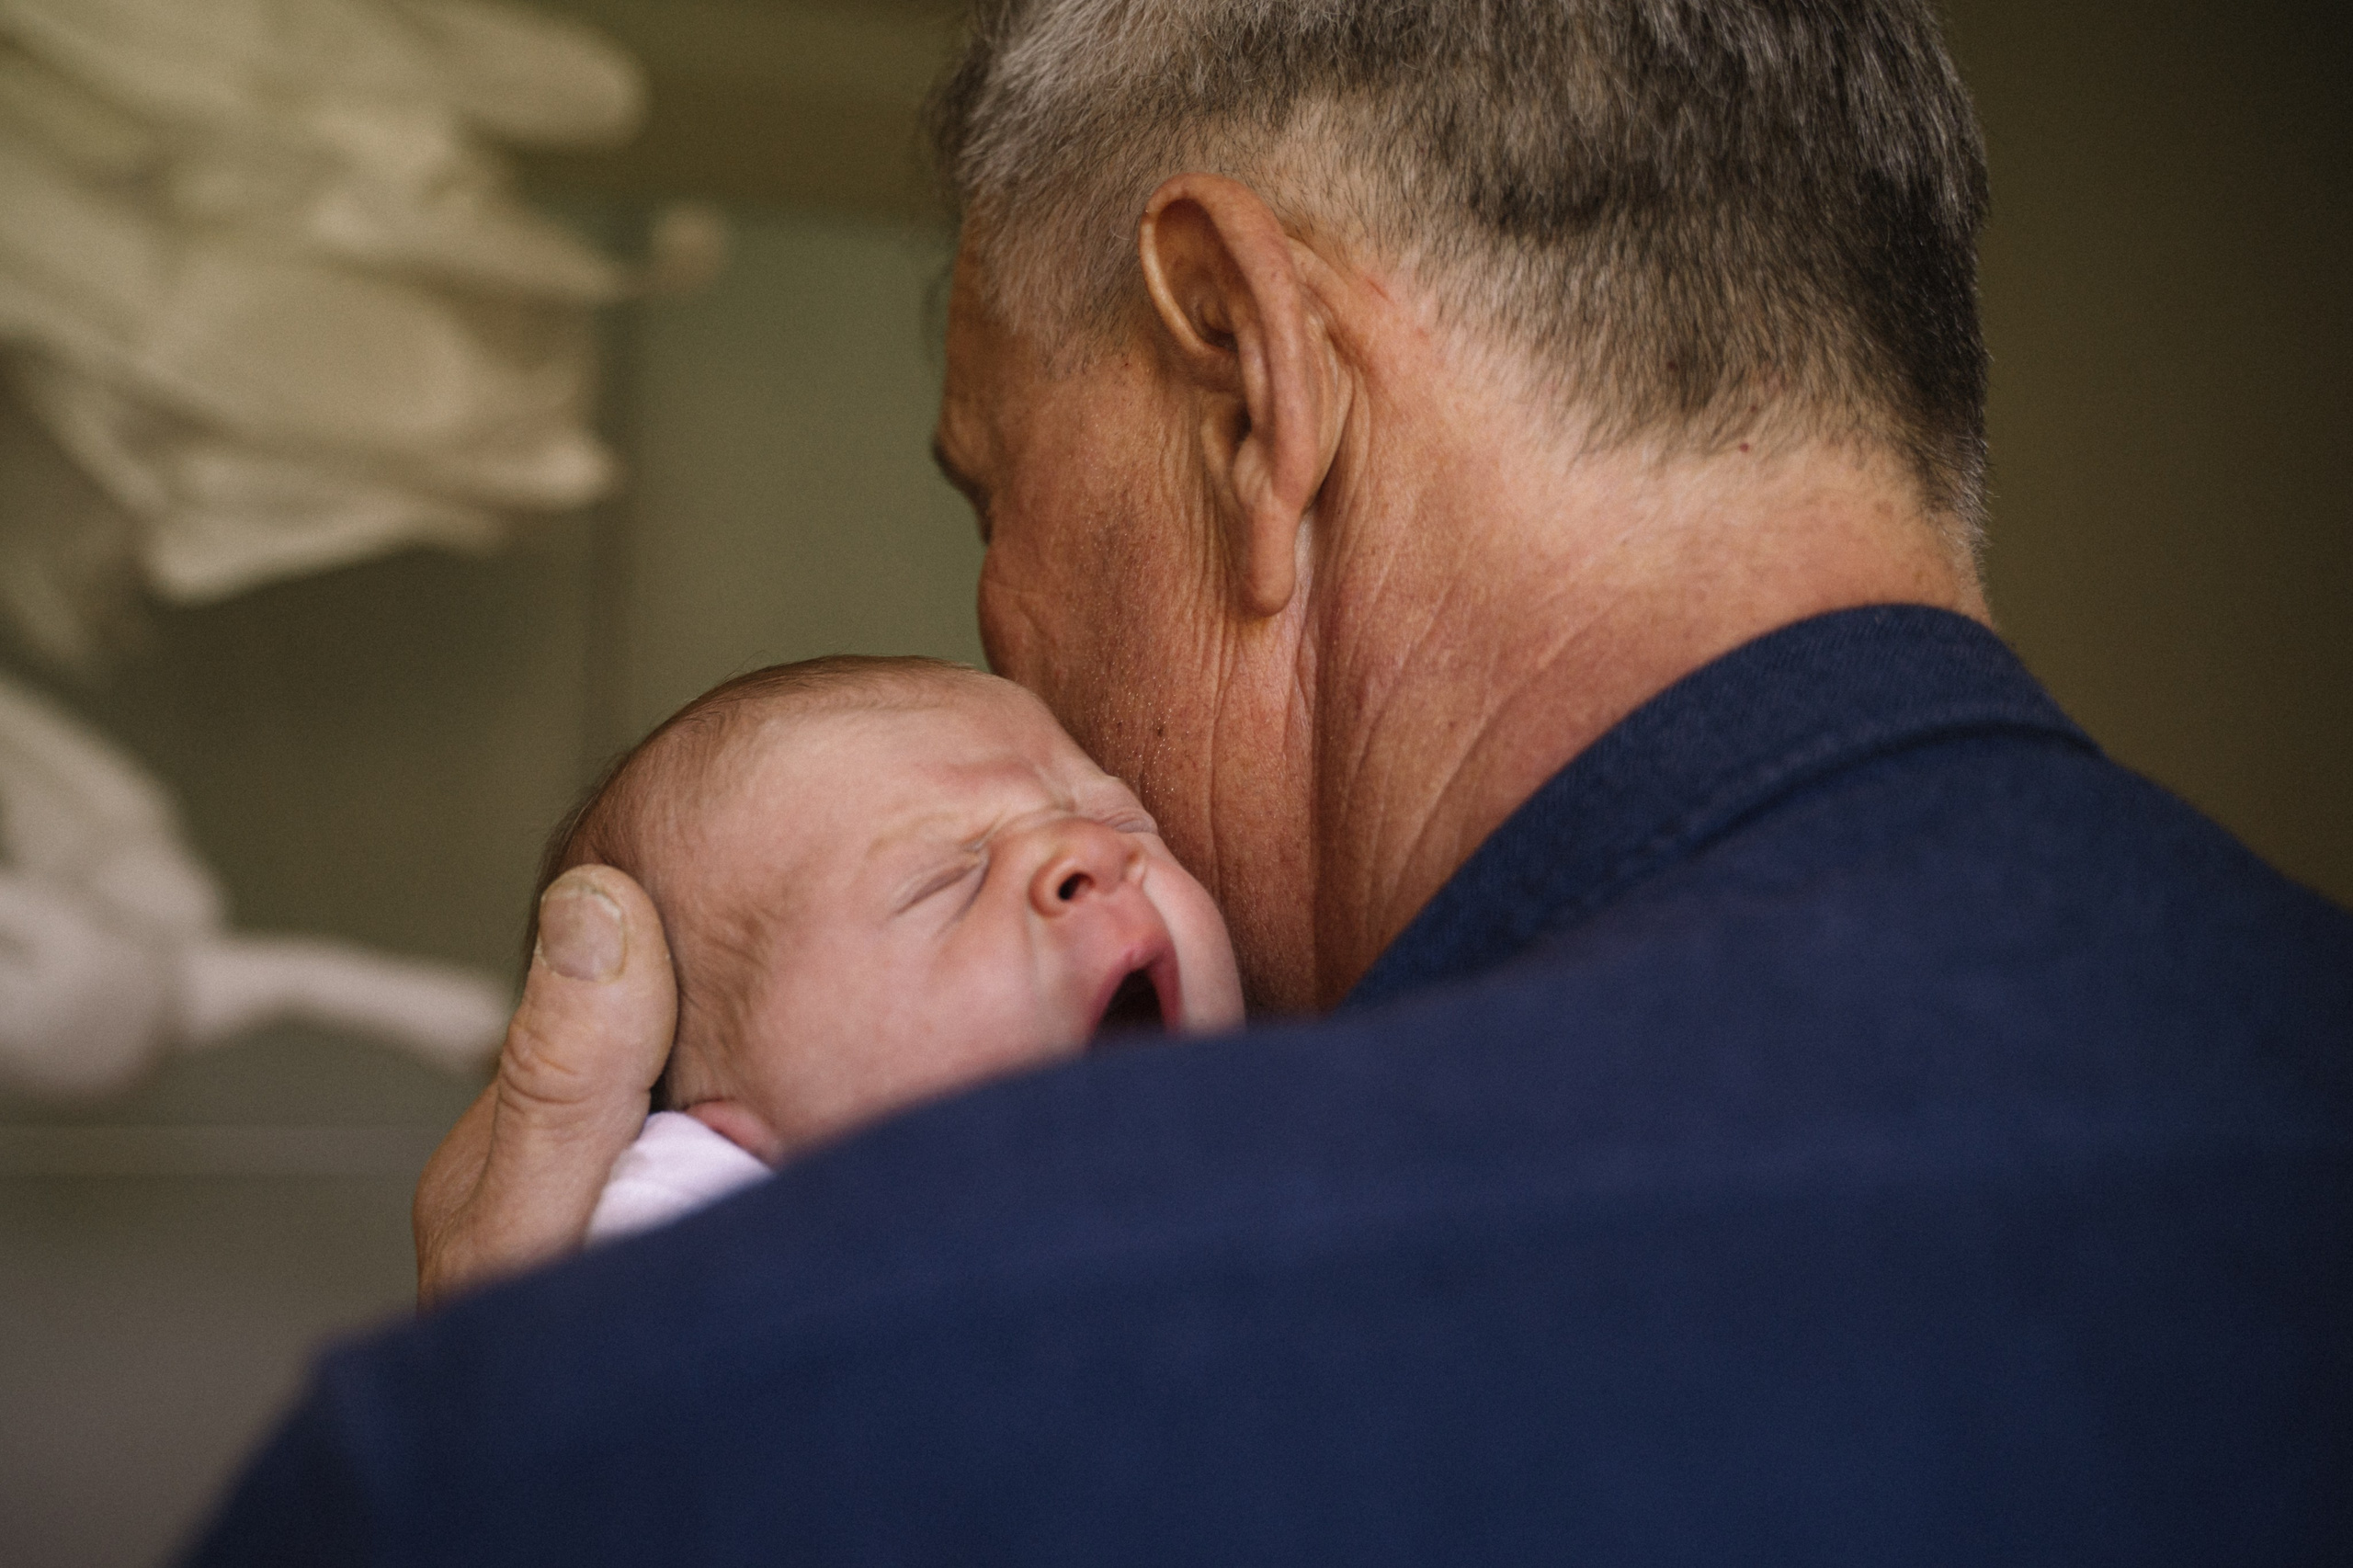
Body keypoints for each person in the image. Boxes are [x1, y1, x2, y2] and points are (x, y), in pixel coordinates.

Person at [189, 2, 2351, 1563]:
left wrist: (583, 1433)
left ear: (1249, 378)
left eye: (993, 489)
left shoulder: (701, 1426)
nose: (1005, 626)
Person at [517, 654, 1242, 1239]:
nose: (1094, 850)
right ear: (727, 1156)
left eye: (1120, 818)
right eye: (949, 878)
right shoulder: (726, 1279)